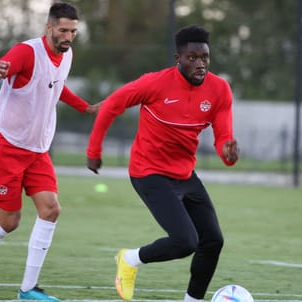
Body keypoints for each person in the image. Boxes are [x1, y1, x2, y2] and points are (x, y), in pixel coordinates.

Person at [0, 3, 98, 301]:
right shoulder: (26, 52)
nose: (68, 36)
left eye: (73, 32)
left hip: (37, 149)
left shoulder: (67, 54)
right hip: (5, 144)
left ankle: (28, 289)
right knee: (8, 222)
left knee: (51, 209)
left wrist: (85, 107)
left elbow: (55, 86)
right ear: (49, 27)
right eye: (63, 30)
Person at [86, 25, 240, 301]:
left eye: (205, 57)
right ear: (177, 59)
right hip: (148, 172)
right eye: (192, 57)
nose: (200, 64)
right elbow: (112, 105)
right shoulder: (154, 83)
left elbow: (223, 137)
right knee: (185, 242)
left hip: (184, 174)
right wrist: (94, 148)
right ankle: (129, 259)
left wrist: (227, 152)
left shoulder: (219, 90)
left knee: (213, 241)